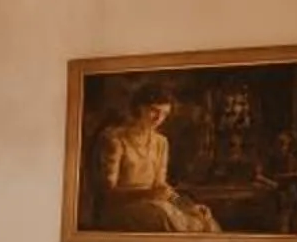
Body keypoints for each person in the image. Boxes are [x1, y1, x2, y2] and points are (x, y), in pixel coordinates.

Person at [92, 86, 219, 233]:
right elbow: (108, 193)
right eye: (154, 110)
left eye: (164, 114)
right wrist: (147, 194)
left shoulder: (161, 142)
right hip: (120, 210)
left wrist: (186, 206)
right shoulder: (114, 139)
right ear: (139, 108)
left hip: (154, 204)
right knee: (162, 214)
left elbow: (161, 188)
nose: (159, 118)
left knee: (202, 218)